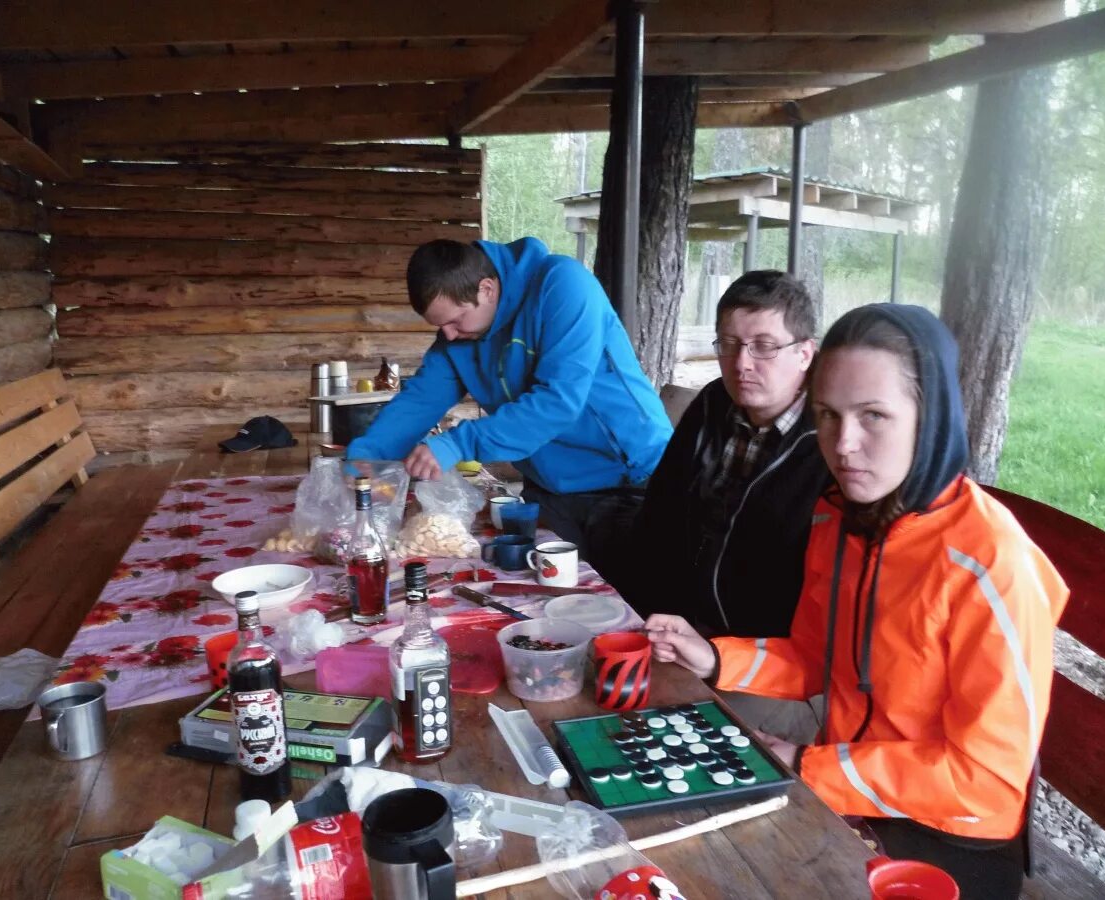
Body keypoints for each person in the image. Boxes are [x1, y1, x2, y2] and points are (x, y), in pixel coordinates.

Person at [646, 303, 1067, 899]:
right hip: (847, 791)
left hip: (944, 837)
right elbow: (816, 657)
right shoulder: (841, 519)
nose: (842, 446)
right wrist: (715, 658)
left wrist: (807, 765)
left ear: (930, 416)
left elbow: (987, 780)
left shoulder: (991, 563)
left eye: (874, 416)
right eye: (827, 415)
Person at [346, 237, 672, 573]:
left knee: (633, 607)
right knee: (548, 603)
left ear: (486, 288)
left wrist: (457, 443)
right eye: (440, 327)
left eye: (456, 321)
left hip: (631, 481)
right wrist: (368, 454)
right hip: (553, 488)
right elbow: (419, 401)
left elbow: (558, 402)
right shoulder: (458, 338)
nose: (449, 336)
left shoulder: (564, 286)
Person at [621, 271, 828, 740]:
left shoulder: (831, 442)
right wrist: (641, 618)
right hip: (684, 628)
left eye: (764, 345)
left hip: (772, 664)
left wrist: (715, 652)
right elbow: (659, 515)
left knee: (647, 734)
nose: (741, 363)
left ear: (804, 352)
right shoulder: (714, 404)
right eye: (730, 343)